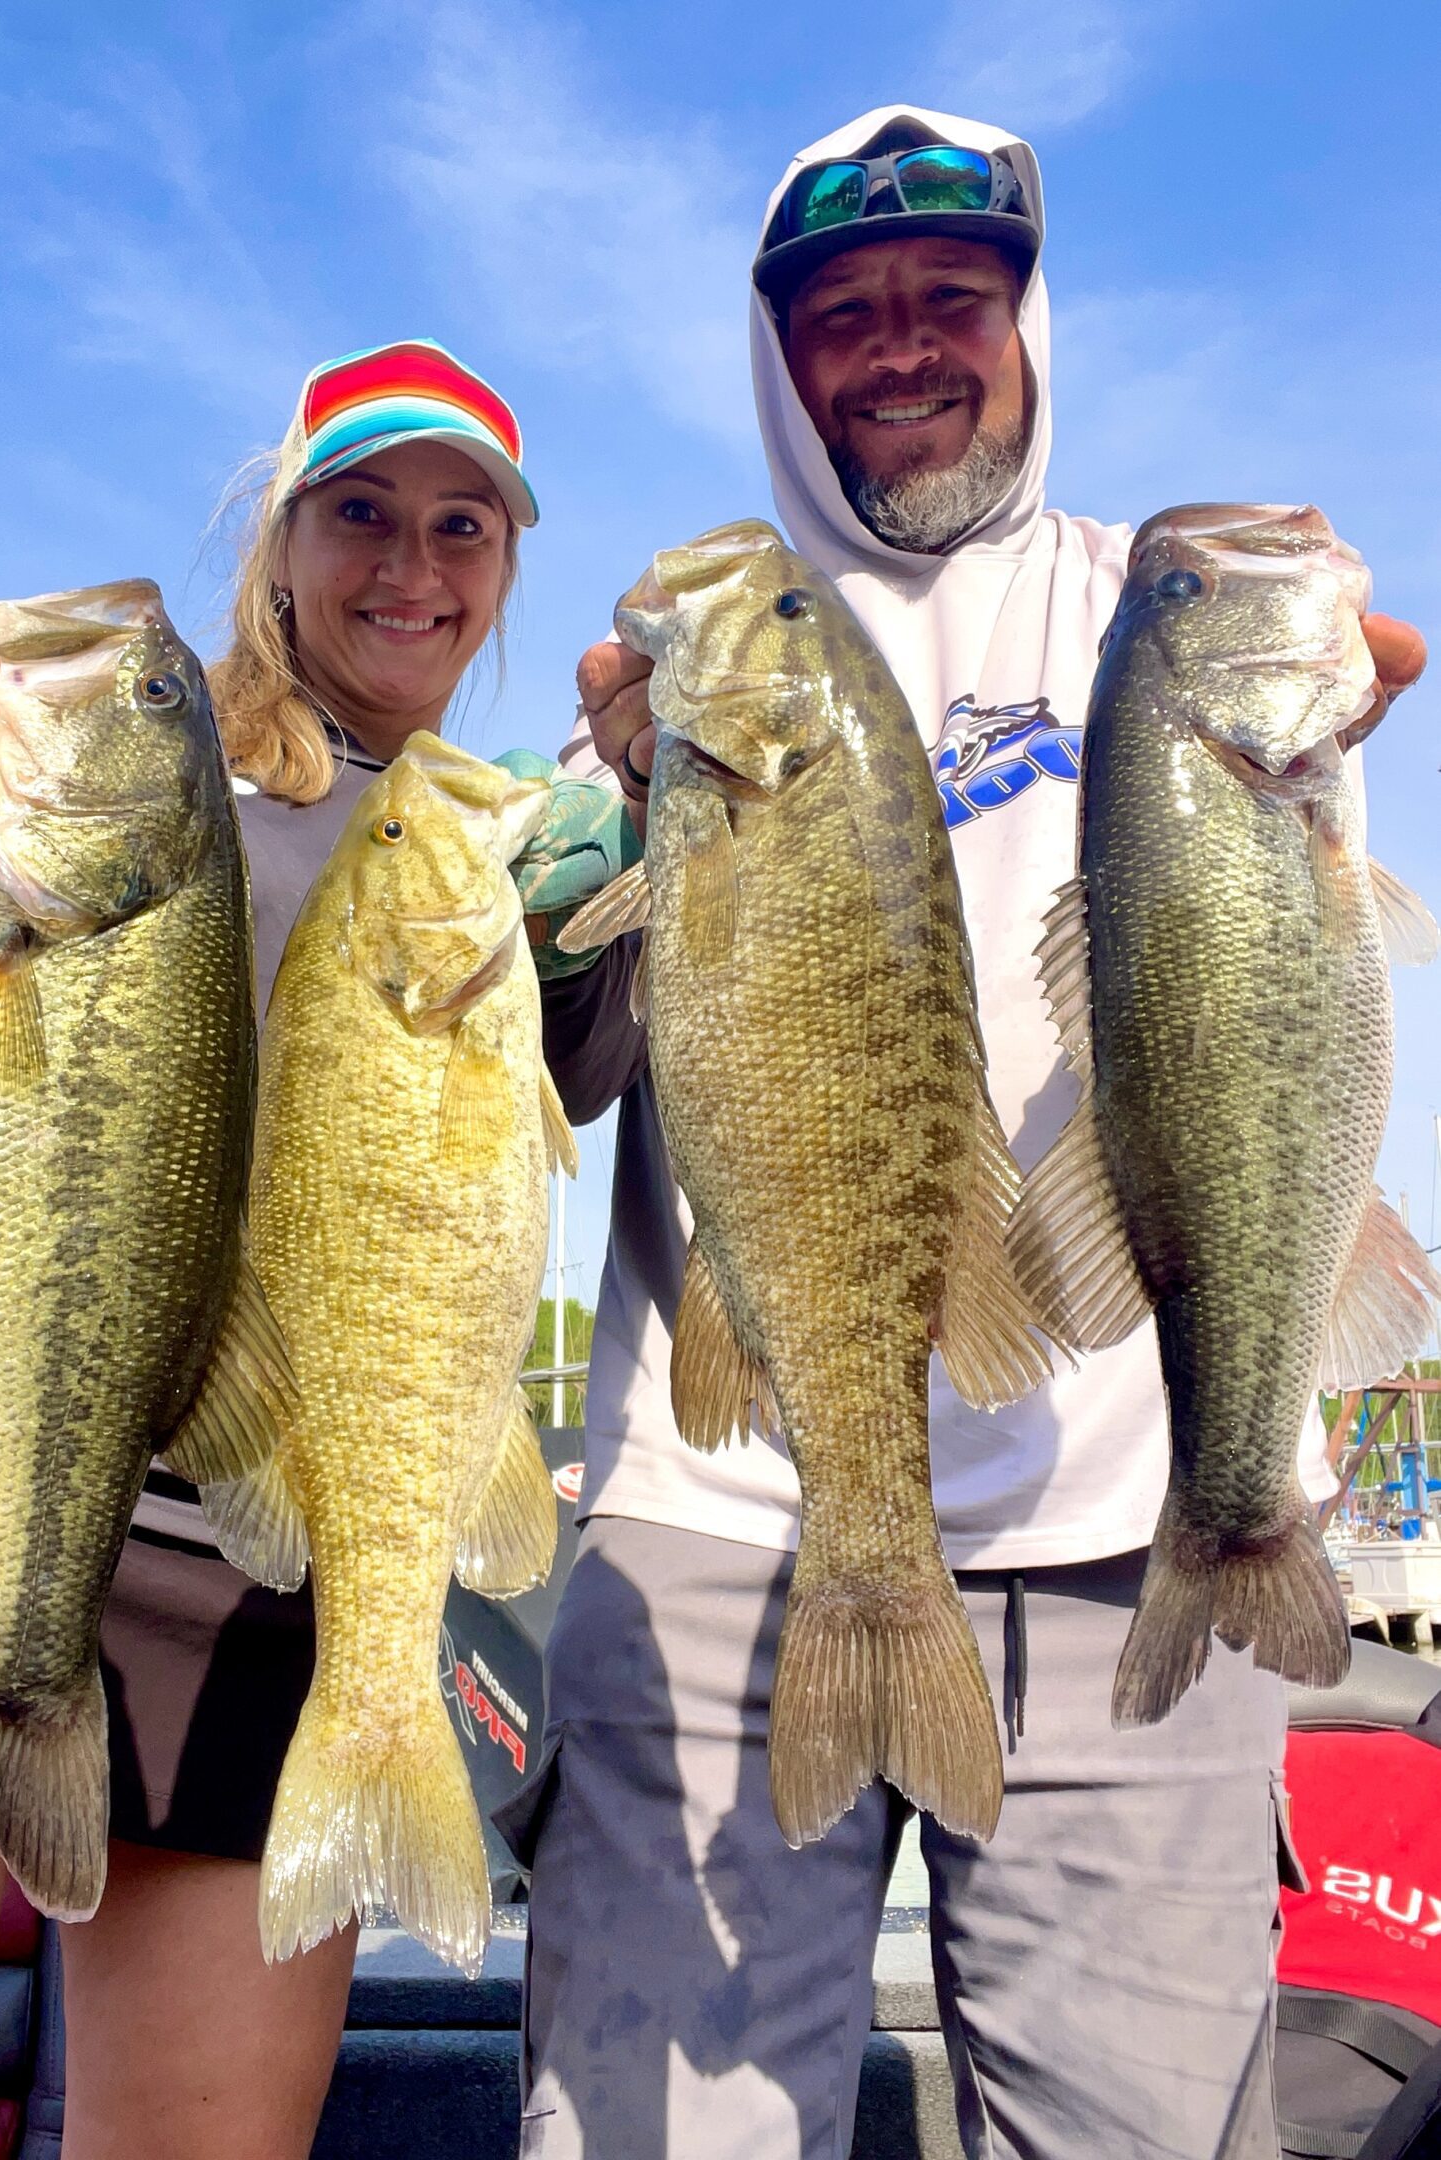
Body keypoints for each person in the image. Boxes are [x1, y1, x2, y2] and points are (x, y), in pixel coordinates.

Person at [500, 104, 1429, 2160]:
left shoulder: (1141, 608)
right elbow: (562, 1071)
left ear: (1029, 327)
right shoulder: (667, 681)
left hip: (1131, 1526)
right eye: (845, 315)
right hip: (734, 1521)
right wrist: (590, 844)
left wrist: (1301, 670)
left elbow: (1363, 665)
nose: (903, 347)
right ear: (781, 360)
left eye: (952, 299)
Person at [0, 336, 543, 2160]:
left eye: (462, 525)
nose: (409, 563)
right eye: (358, 511)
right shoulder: (123, 757)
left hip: (249, 1528)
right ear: (275, 545)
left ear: (505, 574)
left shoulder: (494, 852)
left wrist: (668, 842)